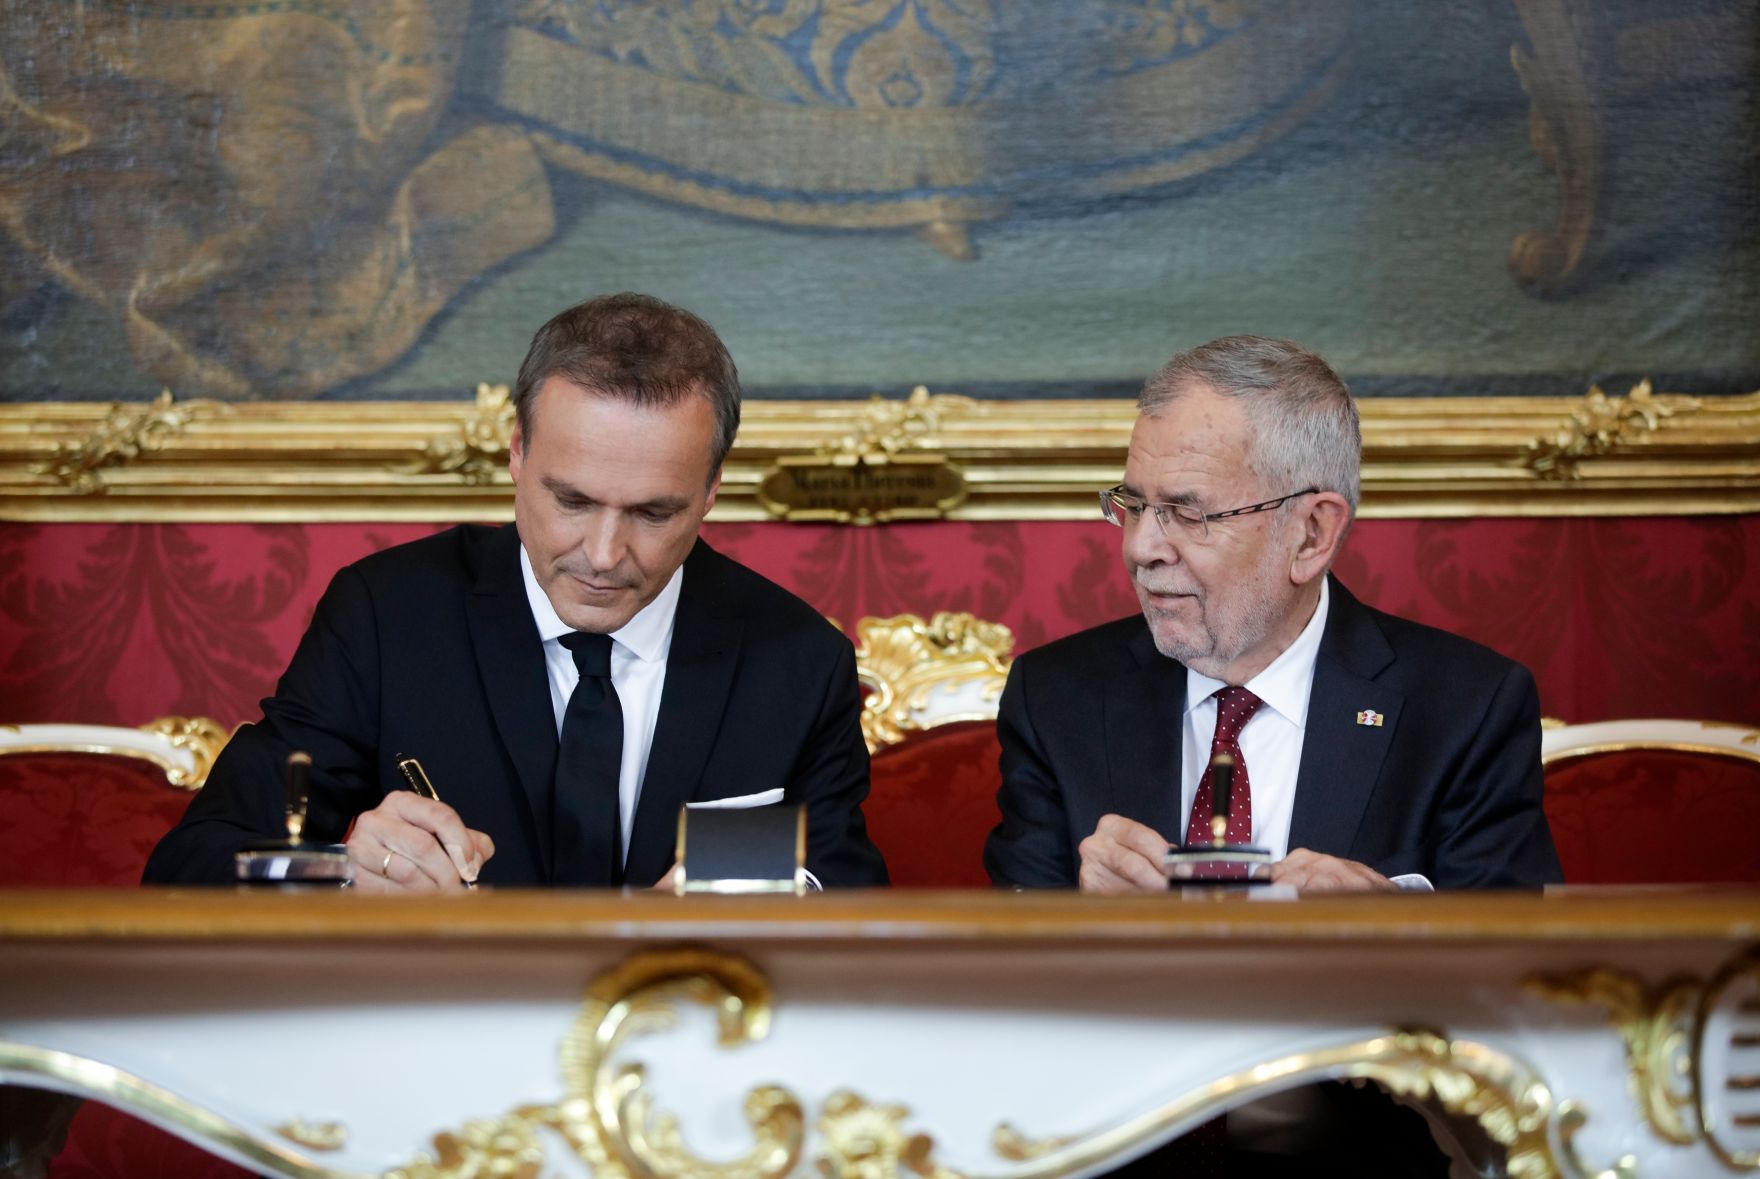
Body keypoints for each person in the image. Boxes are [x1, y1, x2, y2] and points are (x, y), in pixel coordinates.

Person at [145, 293, 888, 891]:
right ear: (516, 456)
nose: (603, 555)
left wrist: (748, 896)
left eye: (653, 513)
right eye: (571, 500)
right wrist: (346, 876)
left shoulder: (798, 660)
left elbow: (847, 891)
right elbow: (196, 864)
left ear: (711, 492)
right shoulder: (384, 617)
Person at [984, 335, 1561, 893]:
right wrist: (1084, 919)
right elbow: (1003, 955)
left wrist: (1390, 932)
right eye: (1133, 505)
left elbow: (1518, 962)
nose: (1141, 548)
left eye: (1189, 514)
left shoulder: (1467, 709)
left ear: (1311, 534)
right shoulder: (1058, 699)